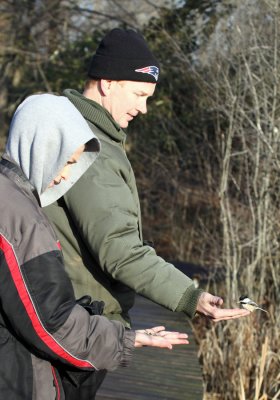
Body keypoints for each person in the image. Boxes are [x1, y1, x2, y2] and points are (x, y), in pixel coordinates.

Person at [43, 28, 250, 398]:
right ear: (107, 83)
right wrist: (191, 297)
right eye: (139, 94)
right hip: (79, 324)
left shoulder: (71, 127)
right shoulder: (91, 148)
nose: (143, 107)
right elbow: (119, 250)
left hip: (64, 317)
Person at [0, 93, 189, 400]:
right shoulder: (21, 219)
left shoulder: (12, 198)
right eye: (68, 161)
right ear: (42, 145)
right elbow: (53, 324)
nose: (64, 176)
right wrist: (125, 339)